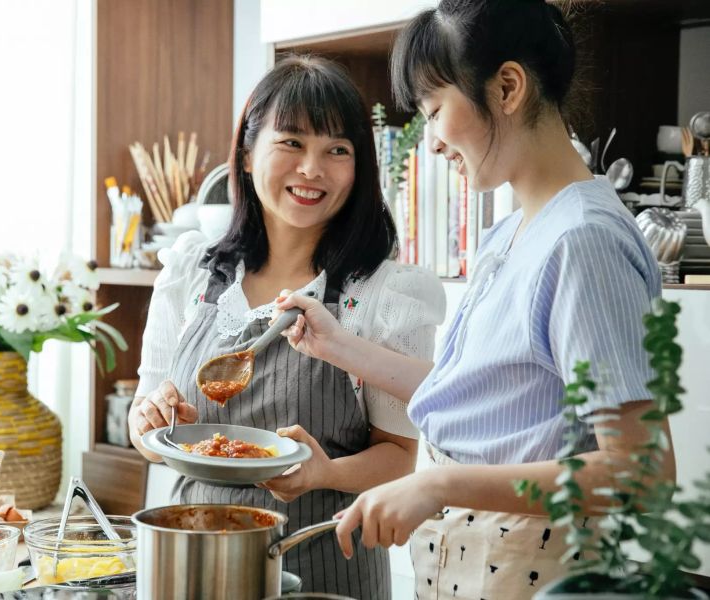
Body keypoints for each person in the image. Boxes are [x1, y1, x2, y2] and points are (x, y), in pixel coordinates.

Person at [272, 2, 674, 599]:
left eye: (435, 111)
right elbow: (479, 396)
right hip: (475, 557)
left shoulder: (582, 241)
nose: (431, 142)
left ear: (507, 87)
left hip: (533, 562)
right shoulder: (512, 231)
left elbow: (641, 474)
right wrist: (336, 345)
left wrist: (438, 485)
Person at [128, 55, 445, 599]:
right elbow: (146, 428)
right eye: (292, 143)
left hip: (326, 561)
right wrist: (153, 421)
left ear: (358, 168)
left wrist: (324, 473)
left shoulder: (385, 295)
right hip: (194, 558)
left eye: (336, 150)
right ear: (248, 156)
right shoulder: (191, 270)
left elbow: (400, 455)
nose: (312, 170)